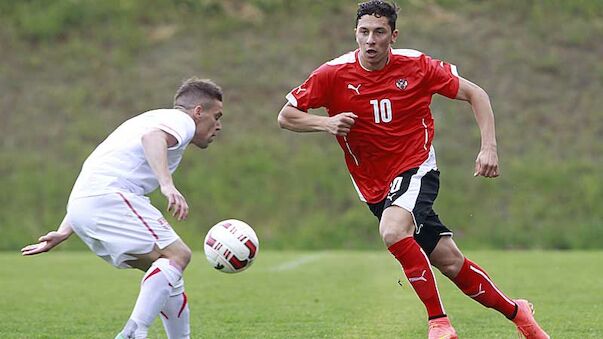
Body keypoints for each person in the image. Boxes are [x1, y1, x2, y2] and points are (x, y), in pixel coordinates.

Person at [277, 1, 549, 338]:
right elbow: (286, 116)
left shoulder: (417, 66)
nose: (370, 40)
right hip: (373, 185)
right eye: (364, 32)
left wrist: (489, 147)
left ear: (393, 35)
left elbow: (476, 94)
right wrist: (325, 122)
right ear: (355, 34)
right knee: (450, 262)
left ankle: (439, 323)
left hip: (415, 166)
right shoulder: (332, 74)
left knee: (393, 231)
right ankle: (517, 312)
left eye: (379, 32)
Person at [21, 77, 224, 339]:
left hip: (86, 203)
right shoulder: (180, 121)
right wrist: (167, 185)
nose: (218, 126)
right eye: (216, 116)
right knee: (178, 256)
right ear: (198, 111)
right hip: (110, 197)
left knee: (168, 274)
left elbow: (97, 171)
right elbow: (152, 139)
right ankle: (134, 332)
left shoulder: (148, 119)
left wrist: (65, 230)